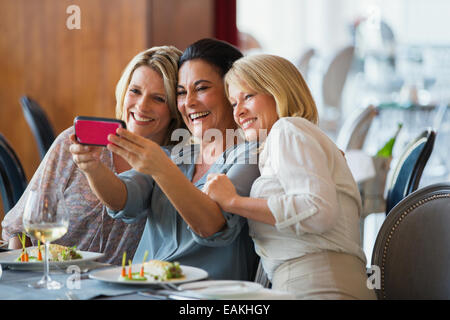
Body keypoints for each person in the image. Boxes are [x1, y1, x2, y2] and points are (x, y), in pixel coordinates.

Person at [70, 38, 260, 281]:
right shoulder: (176, 154)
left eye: (201, 88)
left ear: (231, 91)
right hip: (140, 286)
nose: (188, 102)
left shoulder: (251, 155)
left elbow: (213, 227)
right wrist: (92, 167)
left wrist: (162, 169)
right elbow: (122, 199)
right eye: (181, 92)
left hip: (204, 296)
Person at [203, 54, 377, 299]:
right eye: (233, 103)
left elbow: (317, 211)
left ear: (278, 91)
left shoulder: (288, 129)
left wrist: (233, 202)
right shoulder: (288, 139)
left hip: (321, 286)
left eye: (248, 96)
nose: (239, 112)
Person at [1, 46, 184, 265]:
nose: (142, 105)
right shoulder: (75, 143)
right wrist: (25, 276)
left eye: (159, 98)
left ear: (175, 107)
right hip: (53, 283)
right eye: (135, 91)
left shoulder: (176, 167)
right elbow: (18, 229)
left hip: (121, 289)